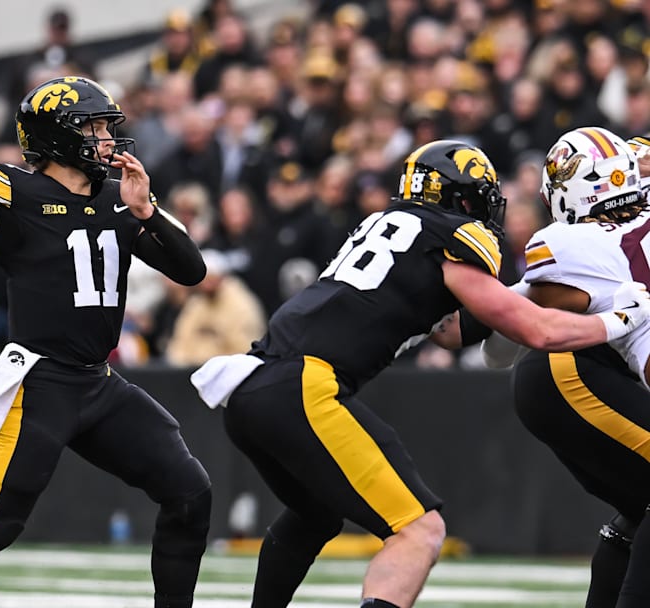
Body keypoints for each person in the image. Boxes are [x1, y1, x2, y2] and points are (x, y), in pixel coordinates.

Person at [189, 139, 650, 608]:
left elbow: (448, 332)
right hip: (304, 387)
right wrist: (621, 319)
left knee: (316, 514)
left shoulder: (378, 226)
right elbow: (537, 331)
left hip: (252, 383)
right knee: (419, 531)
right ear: (460, 200)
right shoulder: (452, 239)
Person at [0, 74, 212, 608]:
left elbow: (191, 271)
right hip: (43, 384)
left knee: (190, 493)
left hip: (98, 383)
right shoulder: (14, 194)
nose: (107, 139)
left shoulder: (119, 198)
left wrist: (146, 212)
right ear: (57, 138)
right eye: (93, 127)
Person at [467, 127, 650, 608]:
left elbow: (494, 353)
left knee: (638, 508)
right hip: (571, 370)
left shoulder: (585, 237)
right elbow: (500, 346)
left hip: (573, 369)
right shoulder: (585, 246)